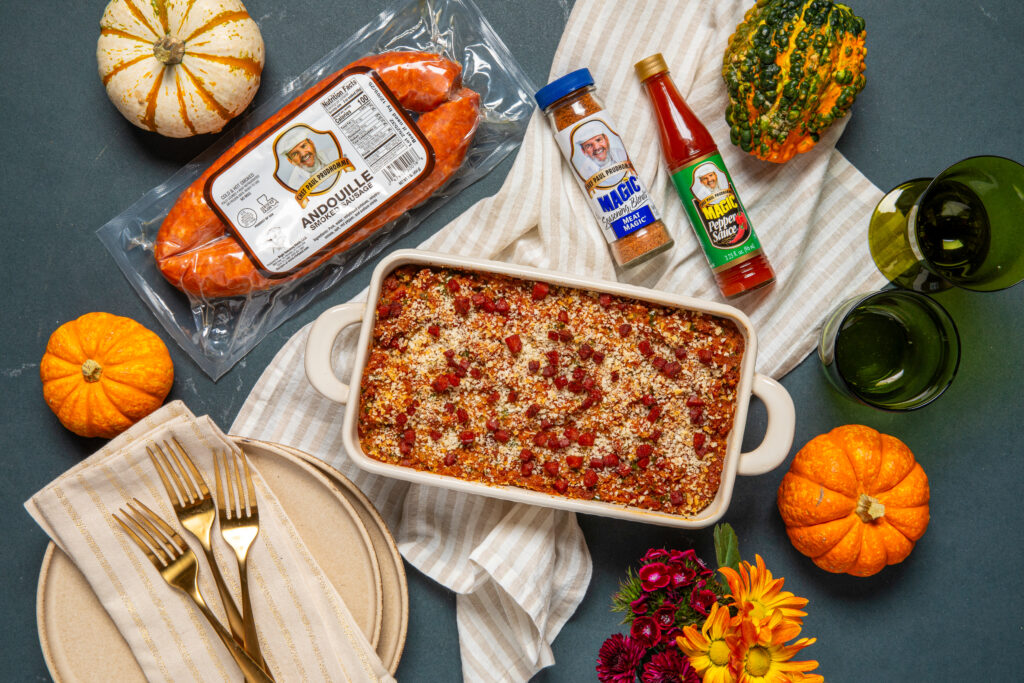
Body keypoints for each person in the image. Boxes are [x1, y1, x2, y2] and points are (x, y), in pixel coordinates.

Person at [277, 126, 337, 191]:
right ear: (291, 161)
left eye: (303, 146)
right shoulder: (295, 185)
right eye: (295, 154)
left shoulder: (333, 154)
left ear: (312, 143)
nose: (303, 154)